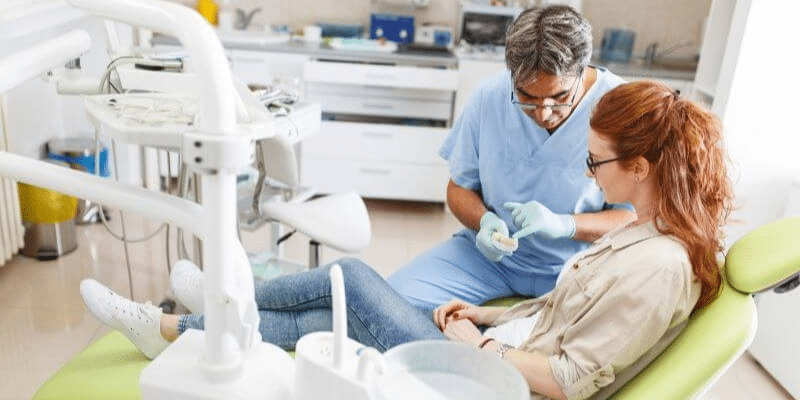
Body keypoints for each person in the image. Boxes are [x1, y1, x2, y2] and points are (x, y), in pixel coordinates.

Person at [80, 80, 732, 399]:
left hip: (500, 386)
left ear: (640, 166)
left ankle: (196, 318)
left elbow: (570, 379)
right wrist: (486, 316)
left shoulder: (659, 268)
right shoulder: (647, 233)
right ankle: (194, 323)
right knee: (326, 315)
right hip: (501, 346)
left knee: (351, 281)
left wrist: (479, 345)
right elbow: (566, 311)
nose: (588, 174)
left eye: (595, 161)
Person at [386, 5, 635, 314]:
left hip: (578, 265)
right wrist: (484, 221)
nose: (543, 114)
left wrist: (566, 225)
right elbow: (459, 188)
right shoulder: (489, 97)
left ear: (582, 70)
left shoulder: (621, 108)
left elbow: (633, 218)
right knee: (390, 303)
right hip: (490, 260)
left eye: (559, 97)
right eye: (527, 98)